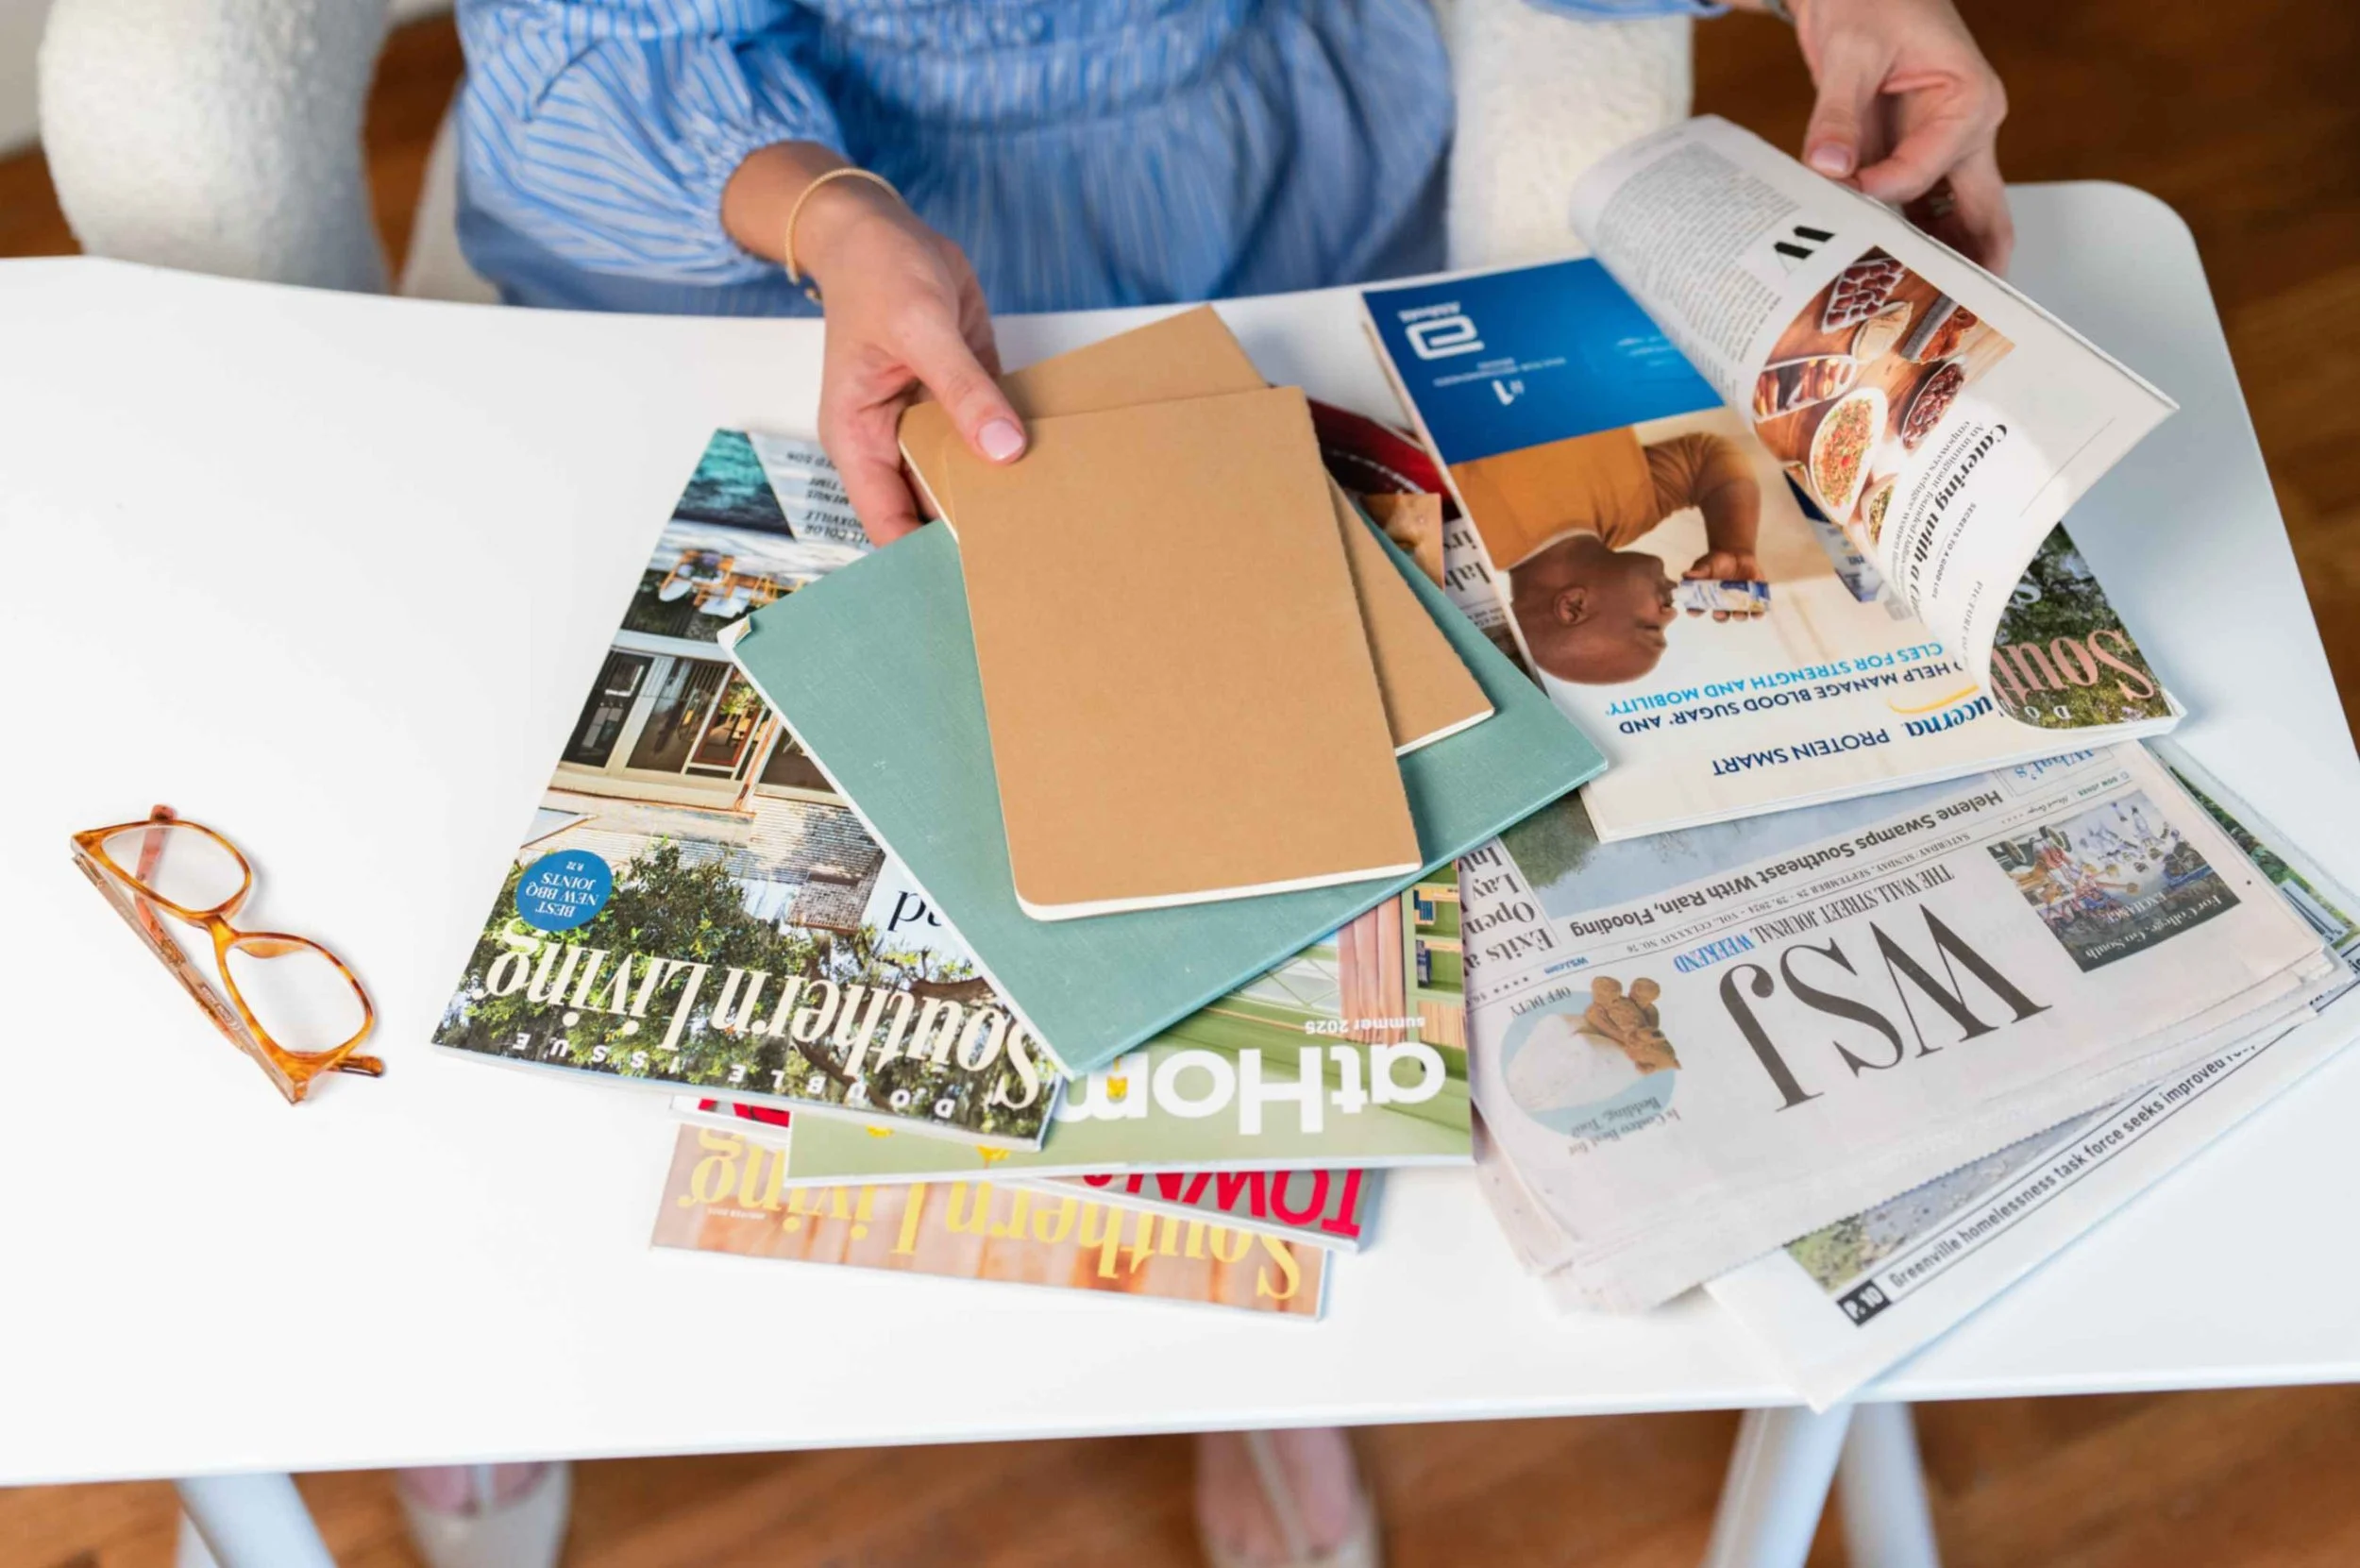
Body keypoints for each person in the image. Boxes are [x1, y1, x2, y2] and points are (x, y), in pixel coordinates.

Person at [412, 0, 2012, 1563]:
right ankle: (510, 1278)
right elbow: (581, 54)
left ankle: (1249, 1235)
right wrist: (823, 214)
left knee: (1280, 843)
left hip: (1266, 190)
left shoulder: (1607, 517)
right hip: (776, 246)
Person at [1454, 426, 1761, 684]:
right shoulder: (1632, 513)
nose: (1672, 613)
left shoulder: (1465, 519)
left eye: (1651, 627)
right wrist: (1734, 545)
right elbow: (1710, 460)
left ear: (1574, 606)